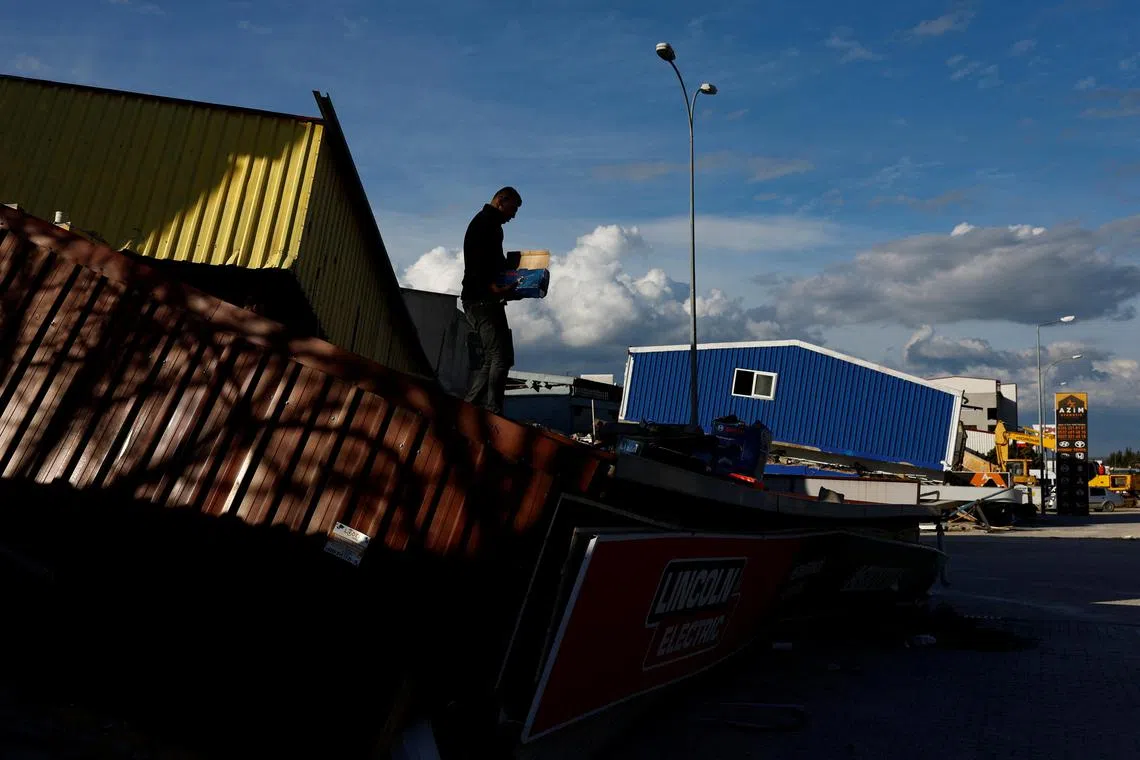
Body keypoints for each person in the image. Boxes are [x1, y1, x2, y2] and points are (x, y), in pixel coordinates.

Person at [461, 186, 522, 415]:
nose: (513, 215)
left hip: (484, 299)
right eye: (513, 209)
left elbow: (491, 263)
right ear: (501, 201)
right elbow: (477, 262)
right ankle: (492, 409)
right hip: (482, 300)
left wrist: (510, 268)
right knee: (500, 357)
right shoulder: (485, 224)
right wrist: (493, 287)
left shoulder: (490, 225)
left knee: (494, 357)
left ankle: (471, 405)